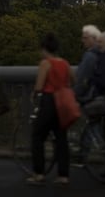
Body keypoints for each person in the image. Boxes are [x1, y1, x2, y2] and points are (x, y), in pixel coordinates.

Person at [26, 33, 75, 186]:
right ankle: (63, 175)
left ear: (44, 49)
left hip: (49, 102)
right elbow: (73, 80)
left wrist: (33, 95)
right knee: (61, 139)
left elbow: (39, 86)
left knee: (38, 136)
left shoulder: (45, 63)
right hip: (63, 102)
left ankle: (39, 173)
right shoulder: (65, 63)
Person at [74, 24, 101, 103]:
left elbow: (82, 79)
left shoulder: (90, 56)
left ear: (94, 38)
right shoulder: (103, 53)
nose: (82, 40)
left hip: (89, 98)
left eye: (85, 38)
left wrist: (74, 94)